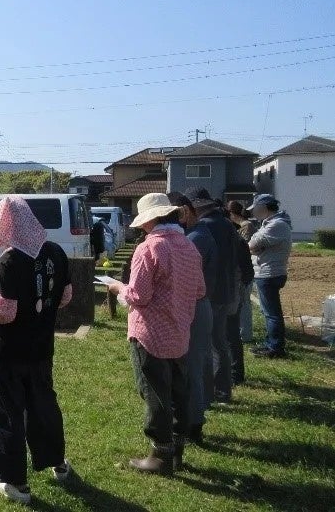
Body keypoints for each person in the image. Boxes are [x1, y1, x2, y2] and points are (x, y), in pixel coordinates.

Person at [0, 196, 73, 504]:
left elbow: (6, 312)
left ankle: (13, 480)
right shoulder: (56, 251)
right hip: (42, 347)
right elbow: (65, 296)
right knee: (43, 405)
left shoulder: (10, 261)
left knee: (5, 411)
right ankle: (57, 462)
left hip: (8, 351)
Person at [107, 193, 205, 475]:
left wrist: (117, 287)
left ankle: (160, 454)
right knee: (177, 391)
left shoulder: (149, 248)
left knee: (154, 392)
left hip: (150, 332)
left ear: (150, 220)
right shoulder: (189, 246)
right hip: (179, 330)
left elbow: (138, 295)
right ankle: (177, 449)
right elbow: (199, 290)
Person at [167, 192, 216, 445]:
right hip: (200, 305)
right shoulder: (197, 235)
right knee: (197, 365)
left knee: (191, 370)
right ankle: (195, 418)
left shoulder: (193, 239)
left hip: (194, 307)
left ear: (185, 211)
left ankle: (192, 426)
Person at [184, 187, 240, 404]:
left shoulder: (204, 228)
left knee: (206, 346)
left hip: (210, 292)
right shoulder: (226, 223)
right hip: (225, 288)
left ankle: (211, 392)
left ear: (195, 206)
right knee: (219, 342)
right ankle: (223, 388)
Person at [247, 194, 292, 358]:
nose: (254, 213)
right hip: (268, 272)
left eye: (255, 209)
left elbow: (252, 244)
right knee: (270, 312)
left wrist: (255, 246)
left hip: (269, 273)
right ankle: (271, 343)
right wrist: (255, 246)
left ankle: (275, 347)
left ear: (264, 208)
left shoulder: (276, 225)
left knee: (272, 313)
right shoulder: (270, 223)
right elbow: (253, 243)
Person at [227, 201, 258, 344]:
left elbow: (245, 246)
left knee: (244, 303)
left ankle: (245, 335)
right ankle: (242, 333)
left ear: (232, 214)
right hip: (244, 269)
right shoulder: (242, 226)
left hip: (243, 270)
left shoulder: (246, 226)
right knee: (242, 303)